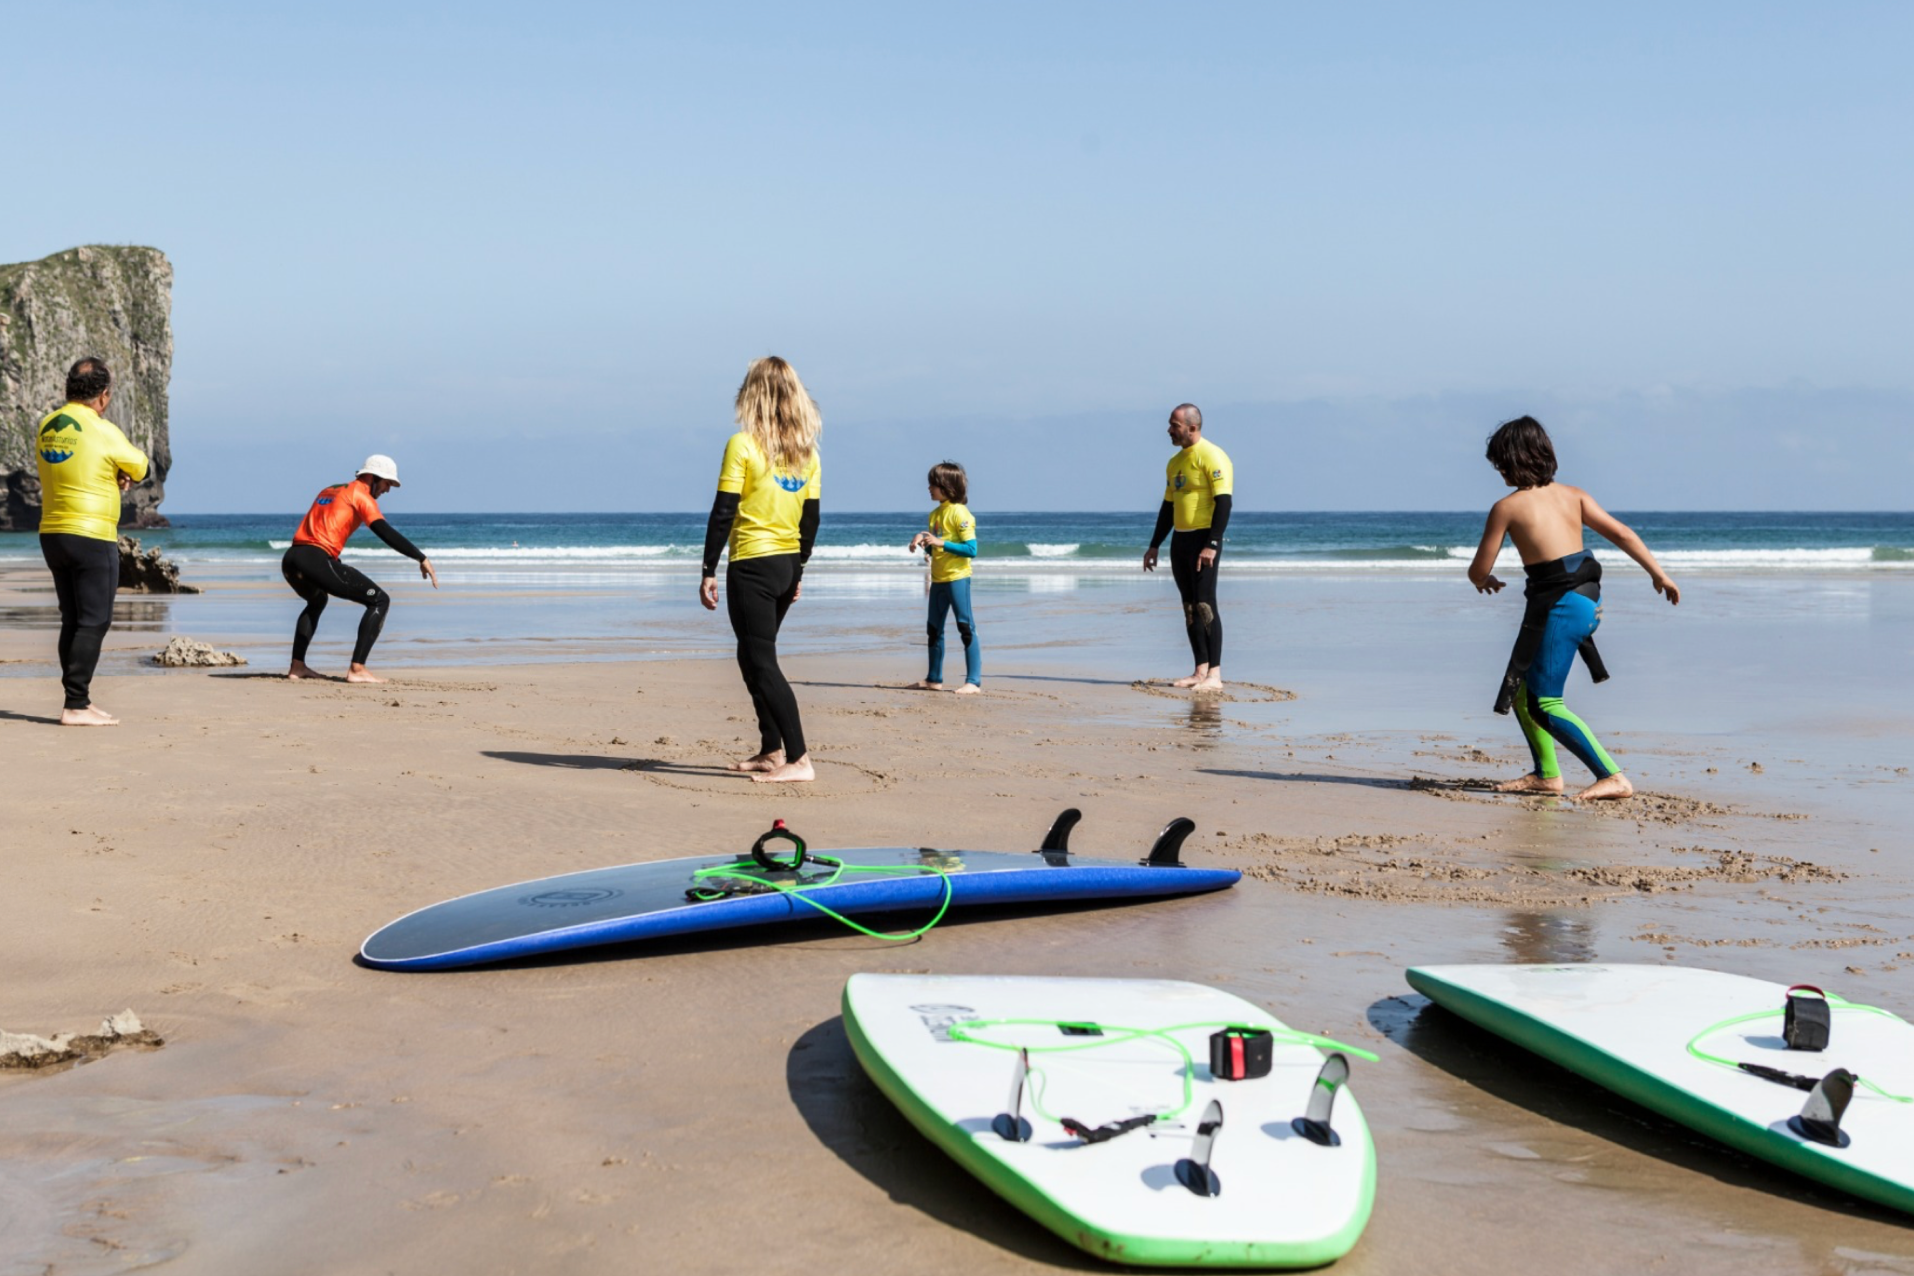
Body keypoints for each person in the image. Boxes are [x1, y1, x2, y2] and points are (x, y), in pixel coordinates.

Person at [1468, 415, 1679, 801]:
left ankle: (1612, 775)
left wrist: (1484, 581)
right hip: (1585, 600)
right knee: (1522, 691)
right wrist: (1659, 574)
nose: (1498, 471)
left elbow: (1479, 568)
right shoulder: (1575, 495)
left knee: (1544, 702)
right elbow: (1622, 533)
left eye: (1500, 463)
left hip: (1559, 606)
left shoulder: (1507, 508)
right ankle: (1546, 774)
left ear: (1514, 460)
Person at [699, 356, 821, 784]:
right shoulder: (807, 455)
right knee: (750, 653)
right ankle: (772, 749)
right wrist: (799, 570)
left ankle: (799, 758)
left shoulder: (743, 445)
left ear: (752, 393)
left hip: (752, 565)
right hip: (785, 566)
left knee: (762, 660)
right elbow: (811, 522)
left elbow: (723, 511)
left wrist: (708, 568)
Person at [34, 357, 149, 725]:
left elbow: (75, 465)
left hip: (52, 533)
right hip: (90, 534)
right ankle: (76, 705)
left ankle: (76, 700)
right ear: (103, 396)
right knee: (94, 621)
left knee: (73, 619)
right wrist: (121, 471)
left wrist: (110, 471)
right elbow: (141, 466)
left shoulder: (47, 426)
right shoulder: (102, 429)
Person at [282, 456, 436, 683]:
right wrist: (420, 557)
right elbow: (384, 531)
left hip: (292, 558)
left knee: (317, 601)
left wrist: (331, 563)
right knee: (380, 600)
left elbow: (323, 527)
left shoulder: (330, 490)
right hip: (314, 558)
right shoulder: (361, 496)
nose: (388, 490)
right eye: (387, 484)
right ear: (374, 478)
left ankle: (297, 667)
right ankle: (357, 668)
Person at [1141, 403, 1232, 691]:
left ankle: (1214, 676)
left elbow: (1224, 502)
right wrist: (1154, 545)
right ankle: (1199, 670)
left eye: (1174, 425)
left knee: (1206, 605)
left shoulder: (1213, 455)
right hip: (1181, 540)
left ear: (1192, 427)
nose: (1169, 430)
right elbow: (1168, 507)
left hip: (1204, 539)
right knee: (1190, 607)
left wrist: (1212, 543)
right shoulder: (1175, 462)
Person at [908, 461, 982, 694]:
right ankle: (934, 679)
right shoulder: (935, 514)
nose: (929, 488)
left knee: (965, 627)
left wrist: (941, 542)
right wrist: (923, 541)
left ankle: (973, 682)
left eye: (933, 484)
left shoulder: (960, 513)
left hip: (957, 578)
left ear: (947, 486)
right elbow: (935, 549)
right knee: (934, 629)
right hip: (938, 579)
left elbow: (971, 549)